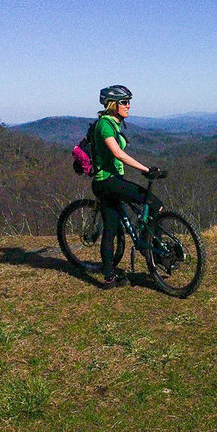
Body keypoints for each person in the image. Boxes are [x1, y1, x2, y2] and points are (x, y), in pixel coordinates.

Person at [91, 84, 164, 289]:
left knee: (111, 229)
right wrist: (146, 169)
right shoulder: (105, 125)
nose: (128, 105)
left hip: (111, 182)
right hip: (107, 181)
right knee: (154, 204)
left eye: (129, 101)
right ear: (112, 104)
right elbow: (117, 153)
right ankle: (151, 251)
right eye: (124, 102)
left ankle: (110, 277)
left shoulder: (114, 124)